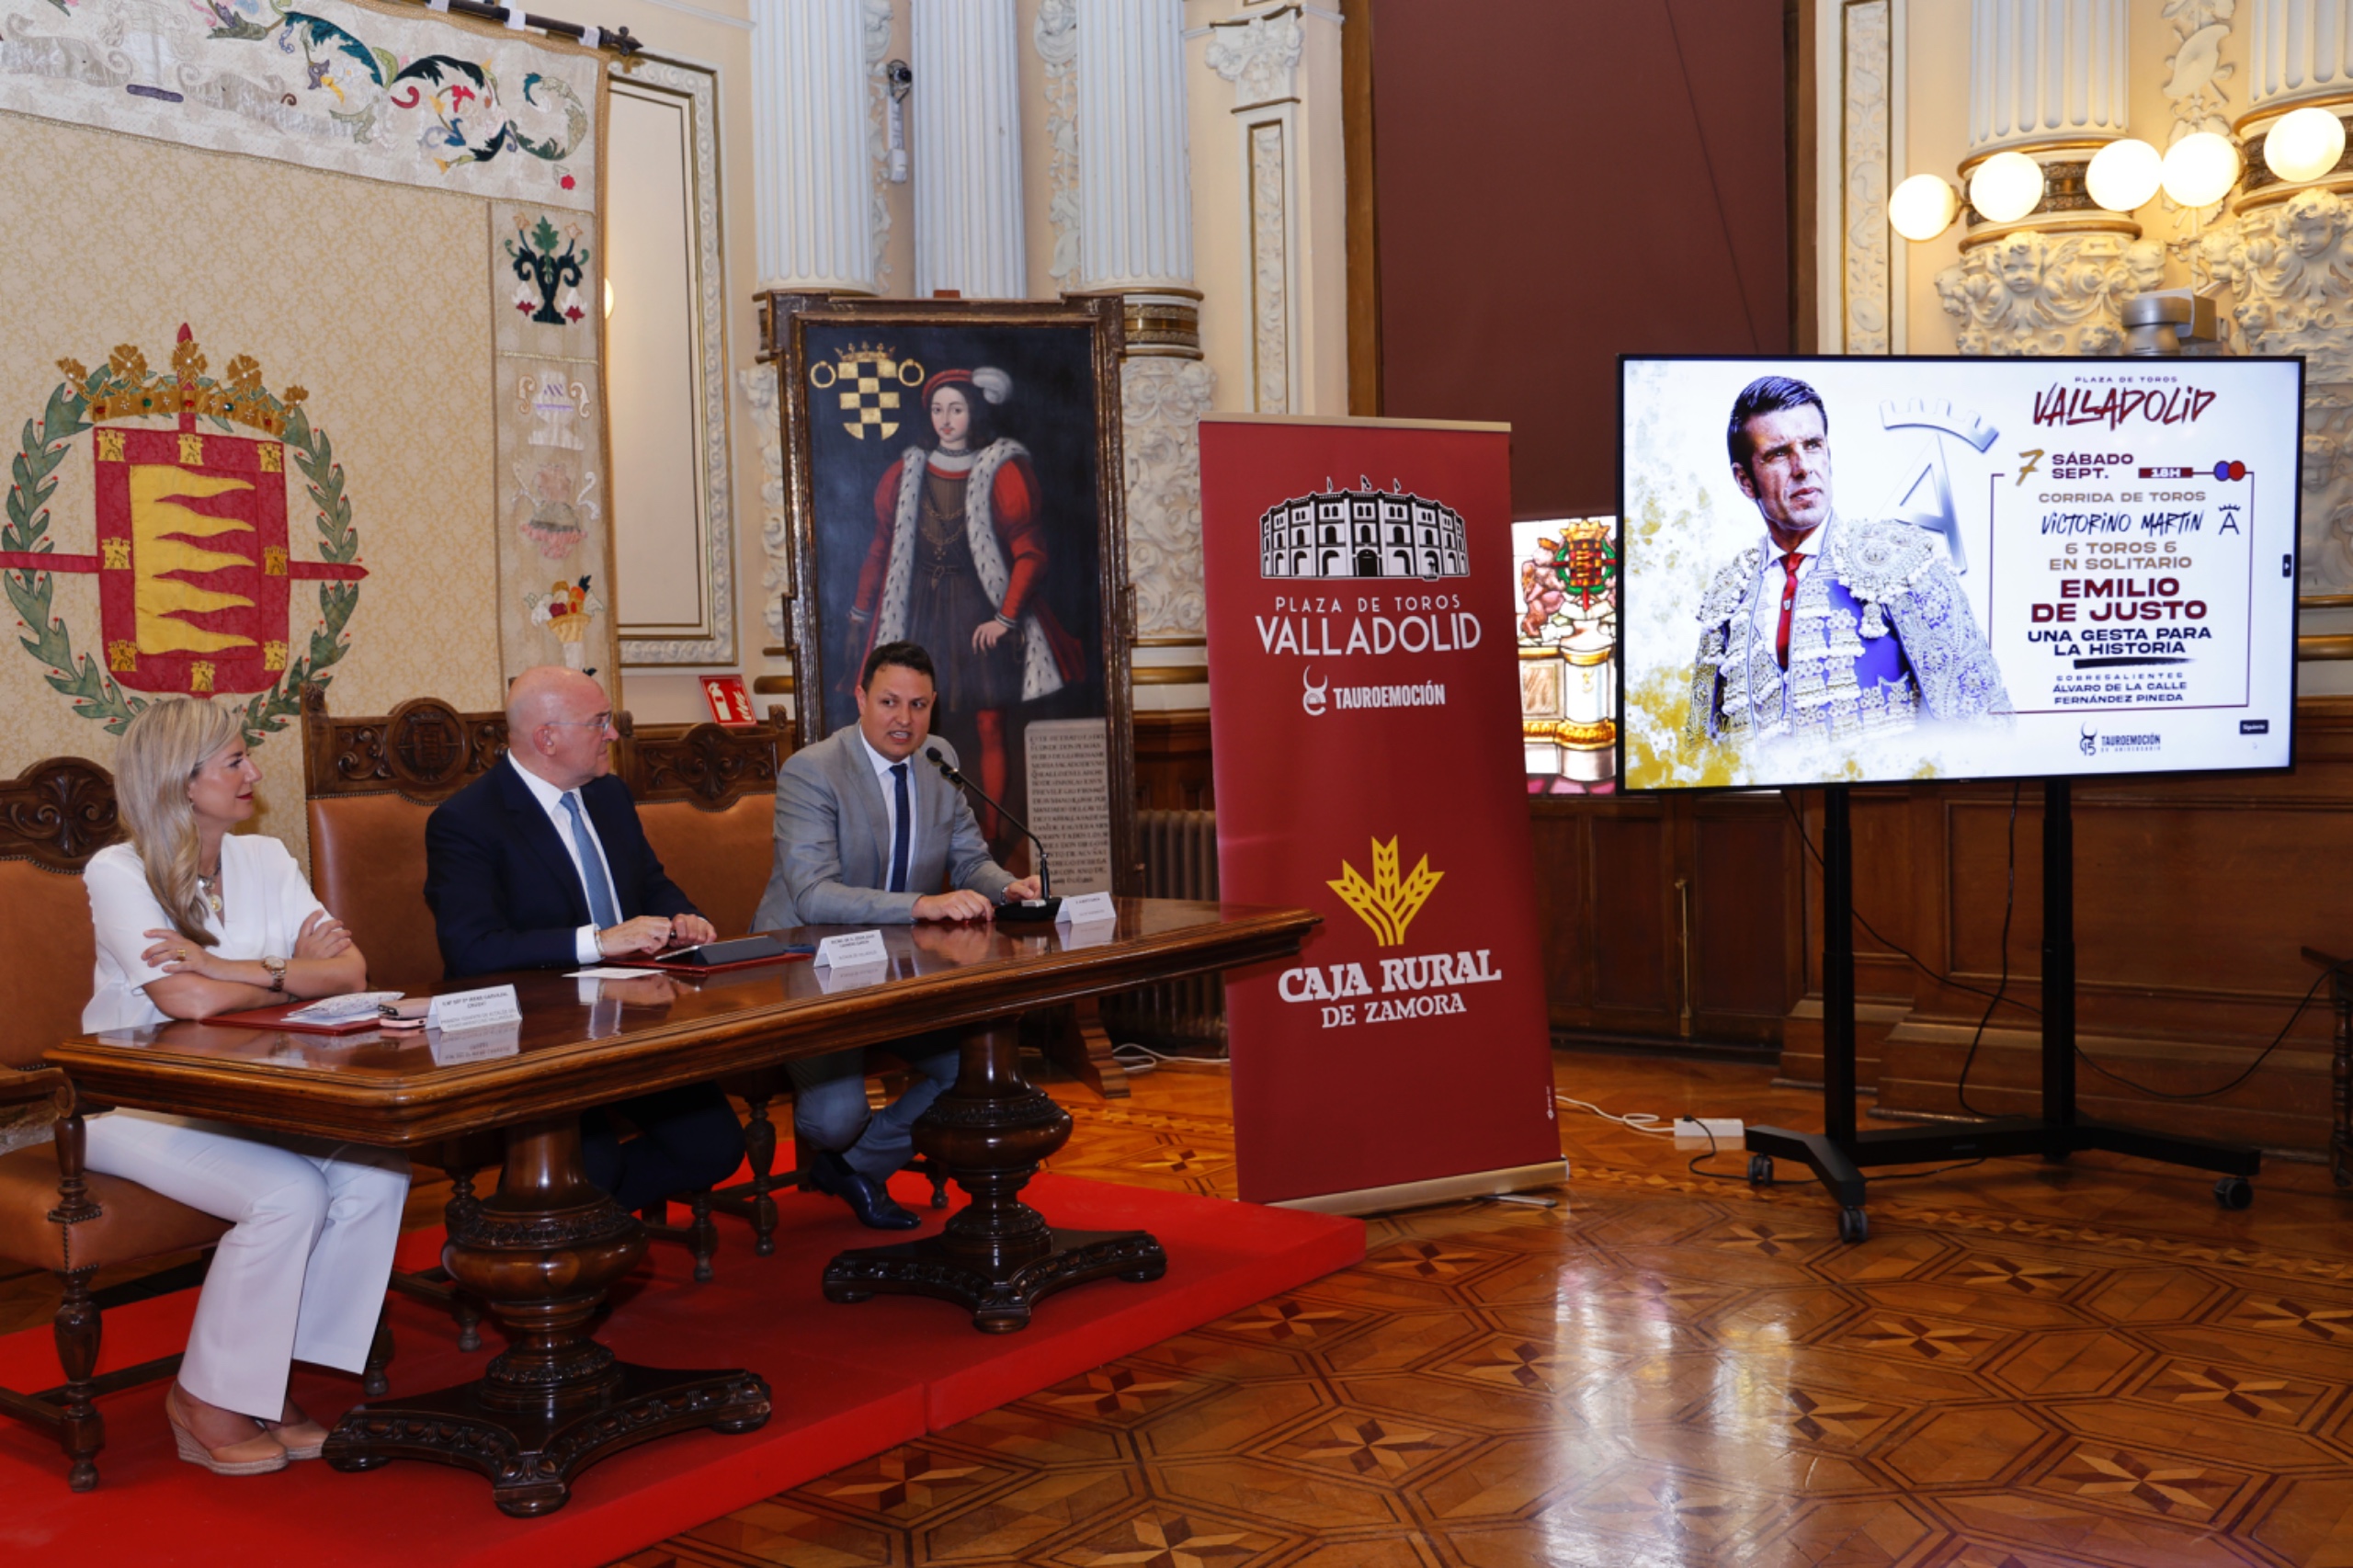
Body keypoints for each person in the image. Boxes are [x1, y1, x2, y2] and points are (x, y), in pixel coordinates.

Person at [80, 697, 410, 1476]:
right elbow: (184, 1000)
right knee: (290, 1194)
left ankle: (259, 1381)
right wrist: (289, 975)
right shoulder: (118, 871)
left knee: (377, 1173)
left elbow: (352, 972)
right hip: (134, 1105)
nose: (254, 773)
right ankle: (203, 1400)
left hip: (255, 1094)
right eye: (234, 761)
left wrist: (230, 969)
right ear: (180, 781)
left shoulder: (265, 858)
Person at [423, 665, 743, 1216]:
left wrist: (682, 914)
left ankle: (576, 1227)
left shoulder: (608, 794)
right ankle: (536, 1232)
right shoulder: (467, 821)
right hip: (537, 1031)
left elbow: (649, 881)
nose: (613, 733)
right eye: (599, 722)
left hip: (632, 1015)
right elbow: (472, 950)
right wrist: (597, 942)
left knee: (714, 1147)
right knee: (591, 1165)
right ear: (547, 738)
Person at [752, 641, 1041, 1229]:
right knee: (834, 1120)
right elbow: (814, 895)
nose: (903, 719)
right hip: (809, 968)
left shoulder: (938, 758)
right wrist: (922, 905)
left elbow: (968, 860)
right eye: (889, 702)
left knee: (977, 1071)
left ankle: (854, 1168)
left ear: (933, 706)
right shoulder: (813, 769)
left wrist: (1006, 887)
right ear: (861, 698)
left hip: (902, 969)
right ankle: (847, 1155)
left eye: (918, 705)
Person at [1688, 375, 2012, 747]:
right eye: (1778, 454)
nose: (1803, 467)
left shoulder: (1902, 563)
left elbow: (1982, 726)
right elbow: (1700, 752)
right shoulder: (1729, 596)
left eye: (1813, 445)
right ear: (1745, 481)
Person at [847, 366, 1086, 846]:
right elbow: (880, 547)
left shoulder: (1002, 468)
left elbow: (1031, 553)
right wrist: (860, 610)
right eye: (938, 409)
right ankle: (921, 840)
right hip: (922, 608)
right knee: (916, 726)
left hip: (979, 610)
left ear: (973, 411)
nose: (946, 419)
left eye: (956, 408)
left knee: (990, 725)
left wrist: (1005, 617)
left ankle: (991, 840)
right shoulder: (907, 472)